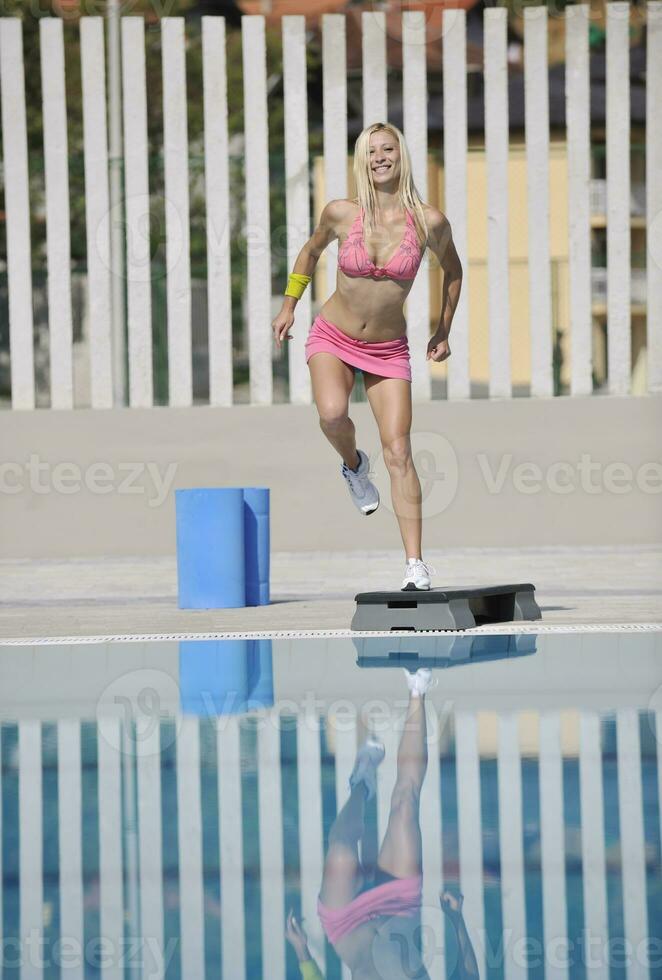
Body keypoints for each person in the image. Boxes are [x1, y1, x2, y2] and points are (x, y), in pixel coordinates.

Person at [271, 122, 463, 592]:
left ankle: (415, 565)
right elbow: (310, 253)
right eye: (371, 151)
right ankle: (354, 466)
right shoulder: (340, 213)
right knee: (333, 415)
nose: (380, 157)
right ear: (362, 161)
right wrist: (289, 305)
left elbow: (455, 271)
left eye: (388, 149)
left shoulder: (429, 222)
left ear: (402, 155)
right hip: (333, 335)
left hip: (387, 348)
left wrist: (444, 328)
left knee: (399, 450)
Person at [284, 667, 480, 979]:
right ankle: (418, 687)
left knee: (341, 849)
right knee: (405, 806)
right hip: (398, 905)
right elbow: (469, 975)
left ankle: (362, 783)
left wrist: (301, 950)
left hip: (346, 924)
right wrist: (456, 919)